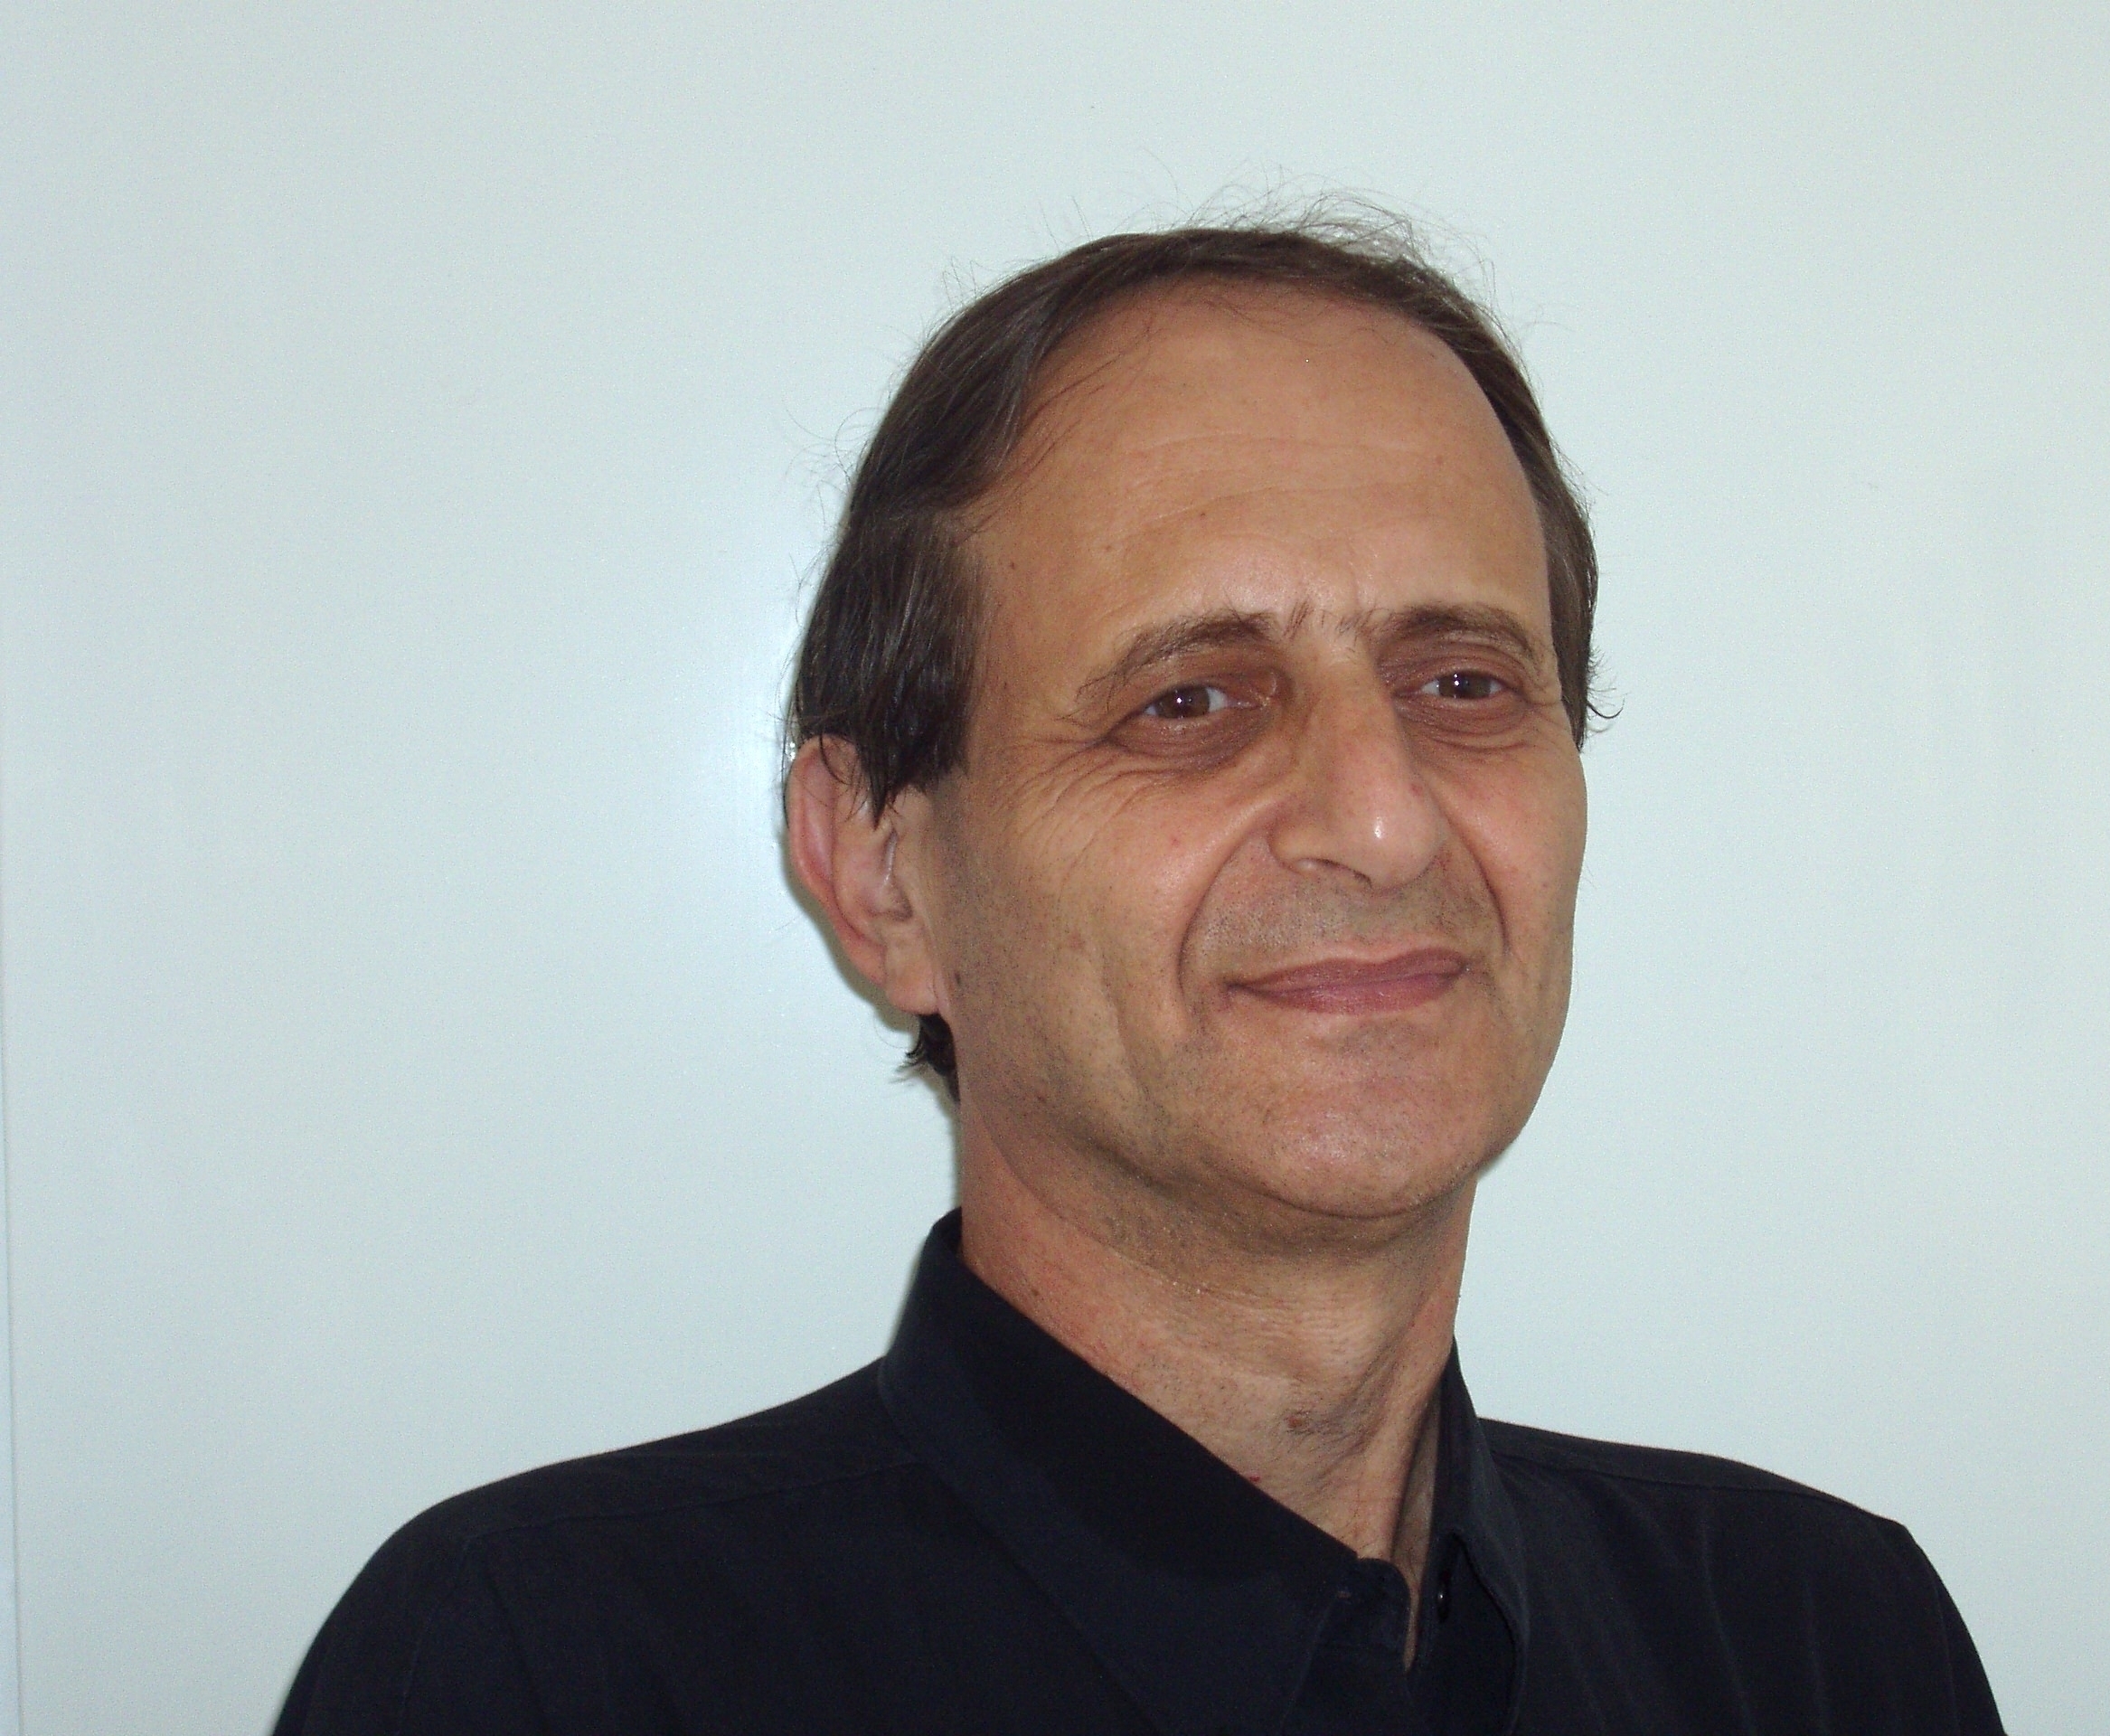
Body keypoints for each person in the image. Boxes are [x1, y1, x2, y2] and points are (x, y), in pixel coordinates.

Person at [277, 219, 2005, 1735]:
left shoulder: (1817, 1648)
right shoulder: (547, 1671)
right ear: (880, 870)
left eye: (1465, 684)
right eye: (1190, 703)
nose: (1384, 821)